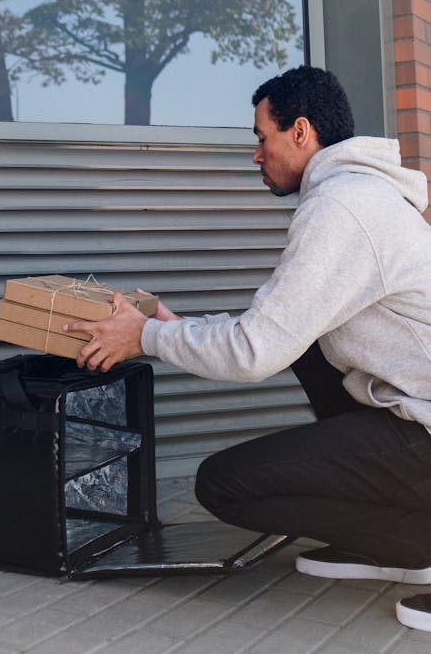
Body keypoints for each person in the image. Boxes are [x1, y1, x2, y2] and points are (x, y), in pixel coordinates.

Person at [64, 65, 431, 633]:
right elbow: (276, 327)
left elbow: (254, 350)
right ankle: (397, 543)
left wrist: (145, 337)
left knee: (223, 485)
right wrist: (174, 326)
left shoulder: (343, 208)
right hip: (413, 410)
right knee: (309, 344)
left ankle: (415, 538)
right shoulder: (361, 195)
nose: (256, 154)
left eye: (262, 138)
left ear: (301, 132)